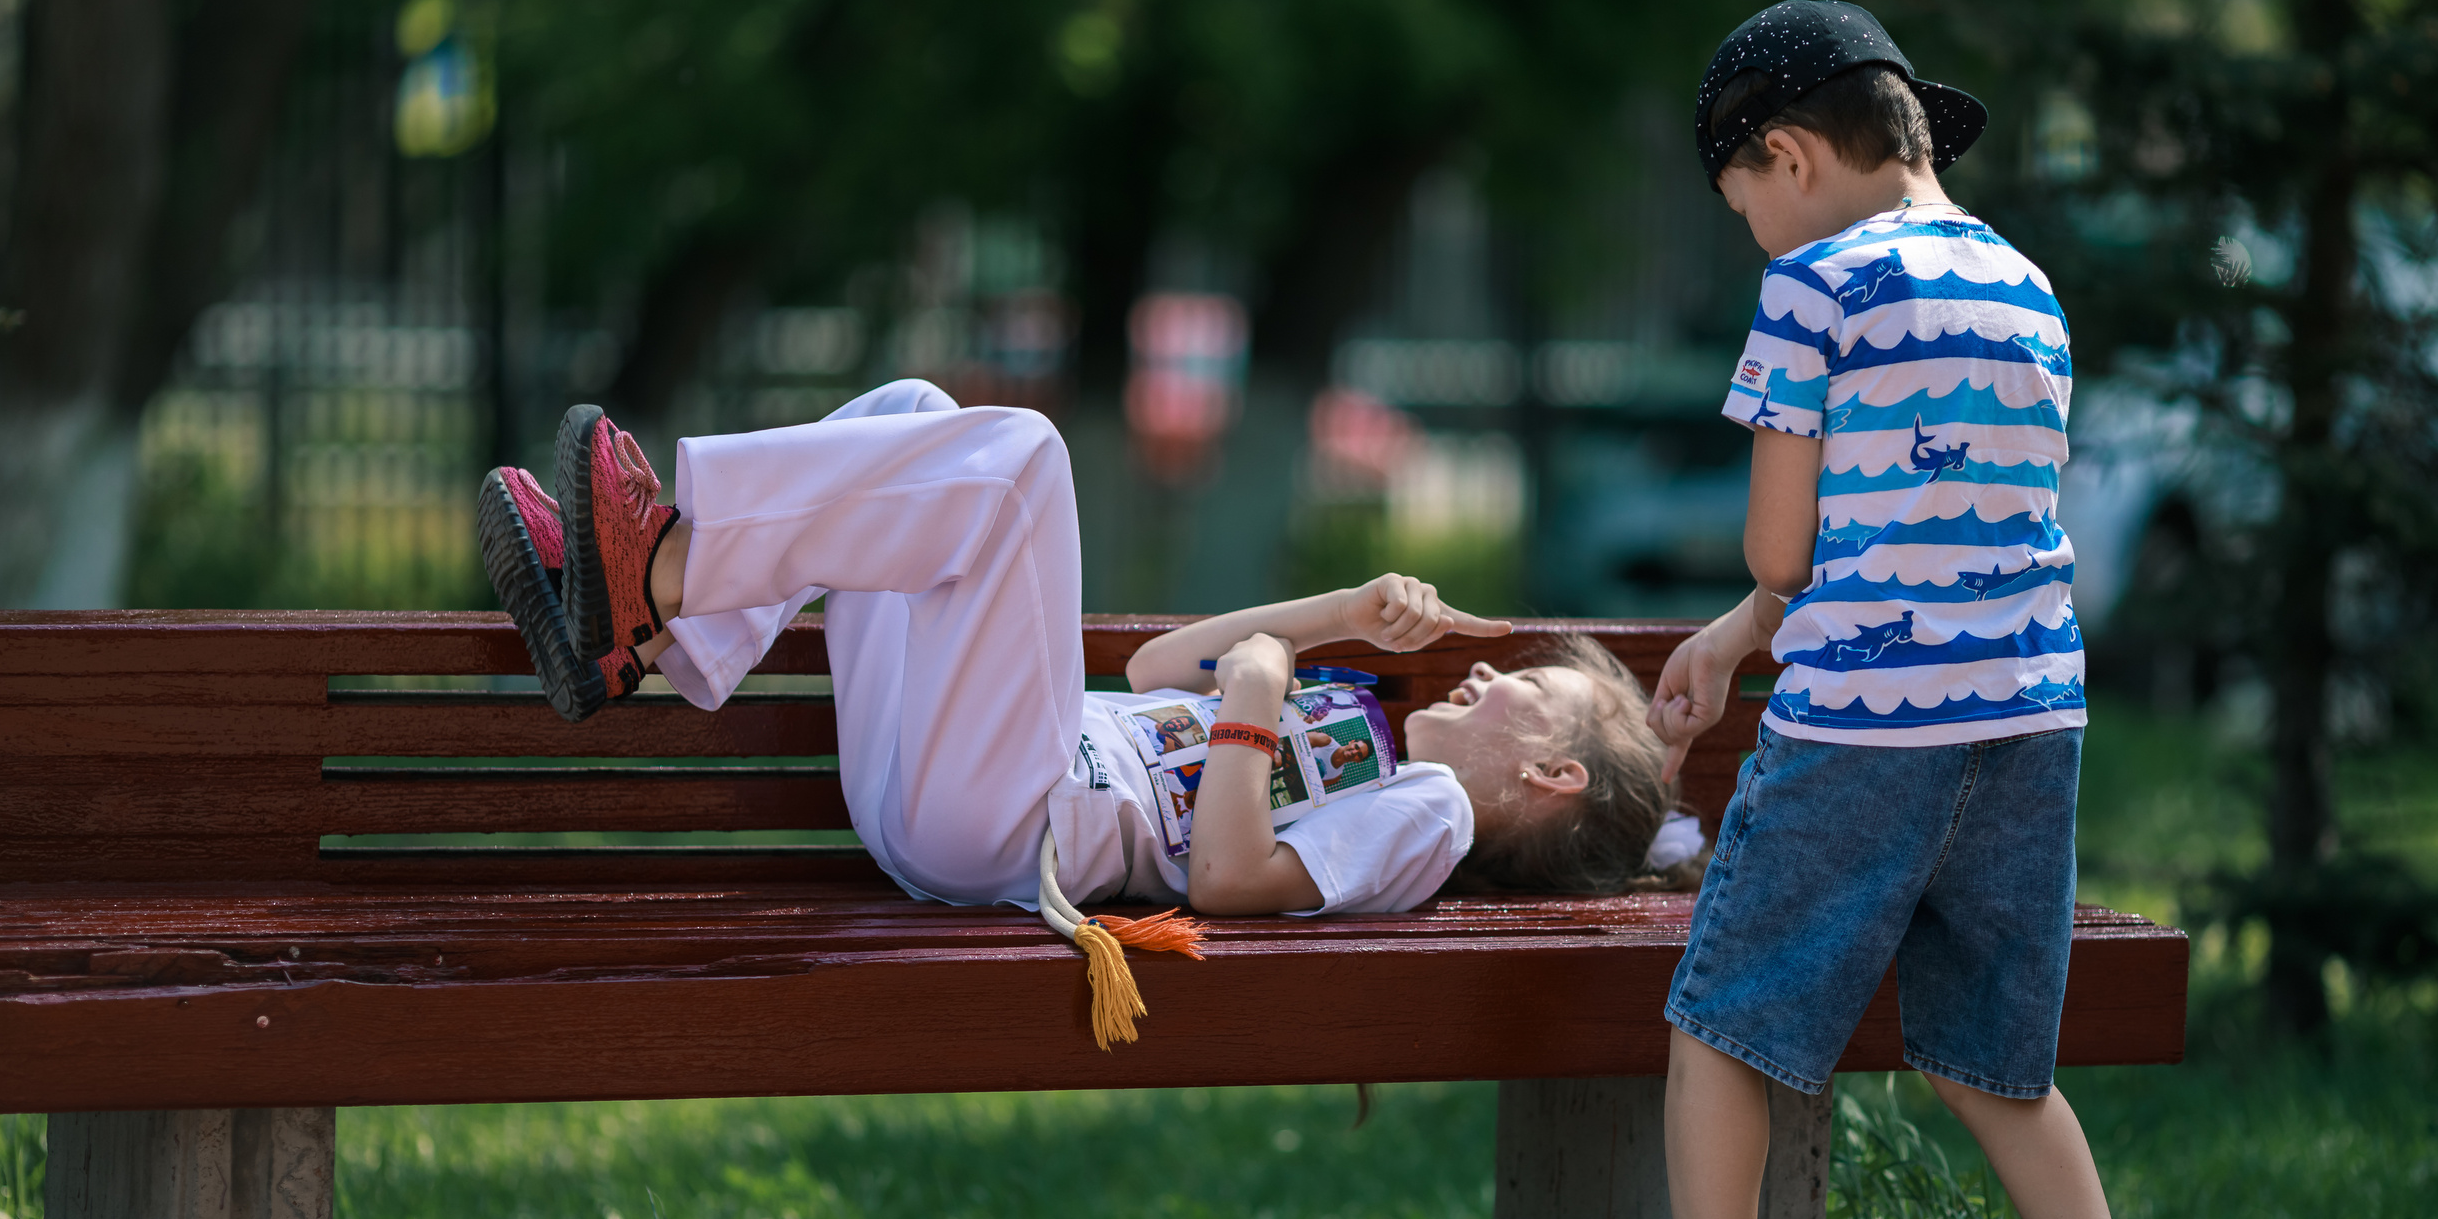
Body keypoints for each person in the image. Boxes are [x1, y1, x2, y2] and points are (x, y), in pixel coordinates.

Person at [1581, 2, 2192, 1219]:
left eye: (1745, 208)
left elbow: (1790, 548)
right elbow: (1928, 532)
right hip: (2030, 715)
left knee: (1721, 1023)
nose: (1757, 238)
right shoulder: (2025, 282)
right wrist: (1735, 638)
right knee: (1995, 1055)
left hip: (1865, 725)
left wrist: (1758, 598)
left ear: (1786, 157)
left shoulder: (1816, 289)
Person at [474, 379, 1671, 933]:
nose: (1489, 674)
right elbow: (1156, 674)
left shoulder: (1427, 817)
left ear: (1550, 775)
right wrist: (1333, 612)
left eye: (1526, 690)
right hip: (957, 793)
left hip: (1010, 823)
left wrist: (1255, 709)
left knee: (1026, 458)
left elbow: (1234, 883)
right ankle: (647, 629)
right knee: (910, 410)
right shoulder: (1362, 727)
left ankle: (663, 577)